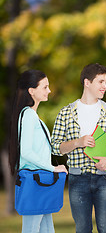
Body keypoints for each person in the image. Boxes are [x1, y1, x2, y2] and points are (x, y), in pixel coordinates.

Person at [51, 63, 106, 233]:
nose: (105, 86)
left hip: (104, 178)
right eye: (101, 82)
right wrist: (77, 142)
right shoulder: (66, 112)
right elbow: (55, 147)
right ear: (87, 82)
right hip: (77, 179)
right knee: (82, 229)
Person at [9, 70, 68, 233]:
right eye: (45, 87)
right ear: (31, 91)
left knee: (47, 229)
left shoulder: (32, 116)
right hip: (35, 182)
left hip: (39, 182)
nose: (49, 90)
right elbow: (26, 152)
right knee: (32, 229)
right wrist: (53, 168)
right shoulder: (28, 116)